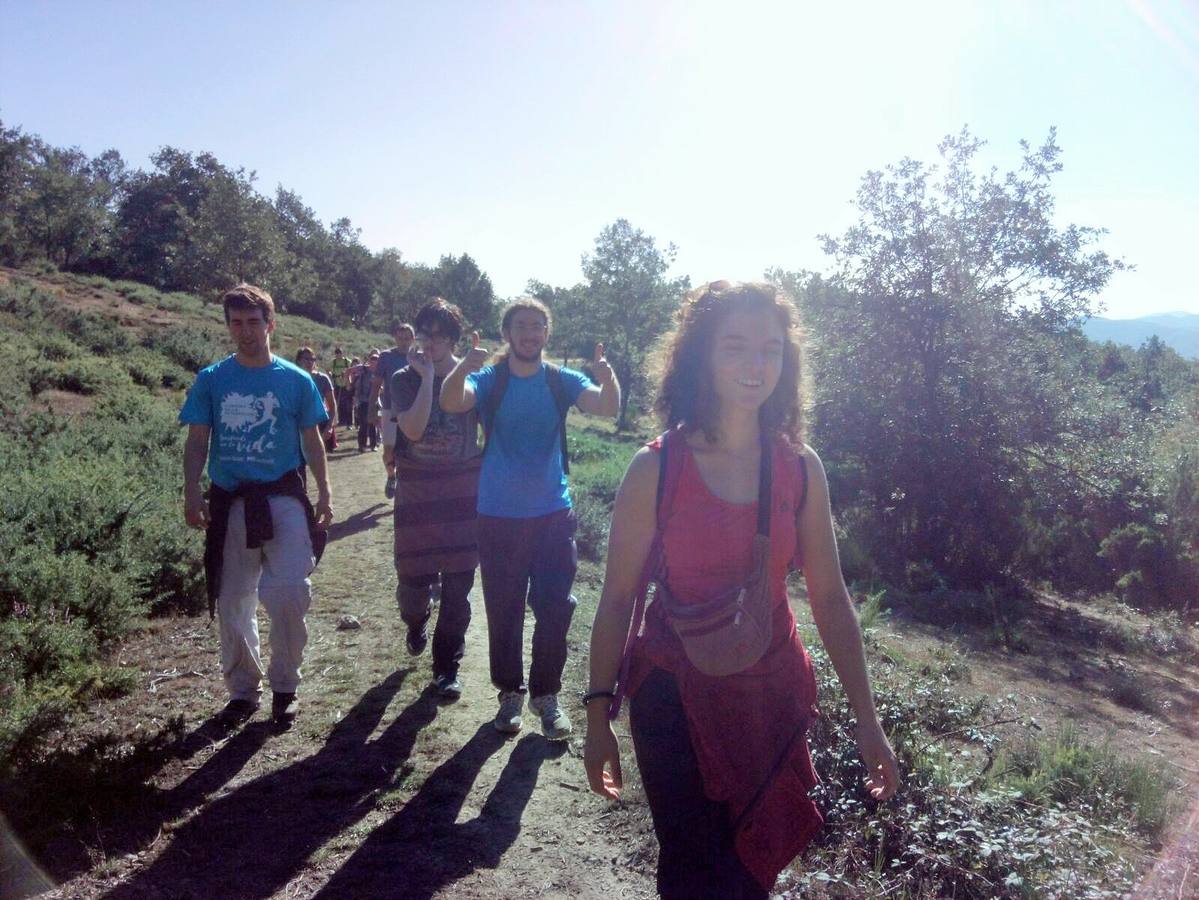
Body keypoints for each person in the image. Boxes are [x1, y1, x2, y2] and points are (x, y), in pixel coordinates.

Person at [582, 281, 899, 898]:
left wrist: (868, 720)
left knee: (751, 875)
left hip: (768, 698)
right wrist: (599, 719)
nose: (757, 366)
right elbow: (617, 599)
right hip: (673, 697)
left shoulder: (800, 468)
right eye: (736, 347)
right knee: (690, 870)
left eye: (771, 350)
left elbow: (831, 599)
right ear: (701, 355)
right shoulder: (656, 468)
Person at [441, 298, 620, 739]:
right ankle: (510, 695)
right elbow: (452, 402)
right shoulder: (490, 378)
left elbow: (604, 407)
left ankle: (547, 697)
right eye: (521, 325)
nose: (529, 333)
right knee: (503, 610)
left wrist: (609, 379)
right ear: (507, 333)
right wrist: (463, 366)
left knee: (556, 608)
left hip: (552, 514)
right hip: (498, 514)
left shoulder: (560, 379)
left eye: (537, 326)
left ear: (546, 333)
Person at [179, 284, 334, 728]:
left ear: (271, 324)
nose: (245, 331)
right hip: (230, 501)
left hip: (282, 497)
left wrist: (324, 491)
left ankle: (285, 686)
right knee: (232, 600)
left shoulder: (296, 380)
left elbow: (312, 441)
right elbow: (197, 441)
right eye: (236, 322)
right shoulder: (212, 380)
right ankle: (243, 691)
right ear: (228, 325)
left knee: (288, 593)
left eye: (253, 322)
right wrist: (192, 490)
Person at [391, 299, 483, 699]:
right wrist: (426, 378)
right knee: (413, 586)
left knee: (458, 587)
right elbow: (411, 432)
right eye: (425, 334)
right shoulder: (401, 378)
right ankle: (415, 622)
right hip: (417, 492)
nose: (431, 343)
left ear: (453, 339)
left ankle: (447, 667)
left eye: (440, 336)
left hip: (463, 492)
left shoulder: (475, 380)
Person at [371, 322, 415, 498]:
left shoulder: (419, 357)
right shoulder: (386, 357)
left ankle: (408, 482)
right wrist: (372, 408)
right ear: (395, 338)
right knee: (388, 449)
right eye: (400, 338)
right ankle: (391, 476)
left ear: (412, 339)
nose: (403, 342)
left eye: (407, 338)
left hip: (412, 409)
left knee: (412, 449)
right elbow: (376, 384)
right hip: (390, 408)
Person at [295, 346, 338, 453]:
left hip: (320, 423)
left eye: (312, 359)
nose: (310, 362)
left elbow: (332, 406)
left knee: (319, 458)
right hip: (299, 424)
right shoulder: (293, 379)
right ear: (299, 360)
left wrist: (330, 427)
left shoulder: (322, 379)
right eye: (307, 359)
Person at [352, 351, 381, 452]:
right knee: (363, 424)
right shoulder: (363, 370)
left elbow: (384, 387)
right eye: (372, 360)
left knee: (373, 424)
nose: (374, 363)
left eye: (376, 361)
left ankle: (374, 445)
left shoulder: (380, 372)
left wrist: (379, 387)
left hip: (375, 401)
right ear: (369, 361)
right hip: (363, 401)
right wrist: (348, 383)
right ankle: (362, 445)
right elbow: (349, 371)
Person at [329, 345, 353, 428]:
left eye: (340, 353)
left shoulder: (348, 362)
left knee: (348, 404)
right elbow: (329, 370)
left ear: (342, 354)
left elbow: (352, 371)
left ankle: (349, 422)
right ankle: (341, 421)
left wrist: (347, 376)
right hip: (338, 385)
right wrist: (332, 376)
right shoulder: (333, 362)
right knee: (339, 404)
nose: (338, 355)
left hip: (347, 385)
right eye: (337, 354)